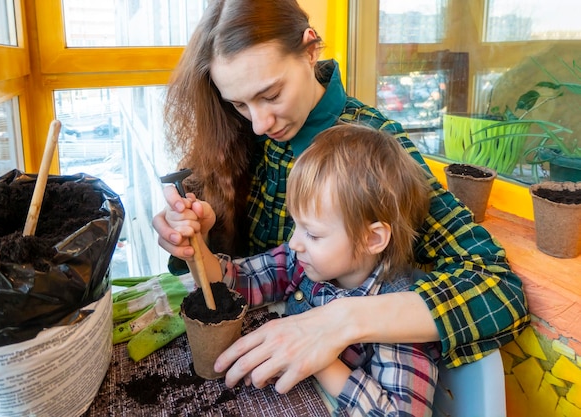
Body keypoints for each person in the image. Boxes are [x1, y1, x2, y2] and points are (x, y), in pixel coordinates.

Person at [153, 0, 529, 395]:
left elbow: (497, 287)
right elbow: (245, 278)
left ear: (310, 49)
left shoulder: (372, 151)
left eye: (272, 94)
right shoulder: (236, 131)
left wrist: (339, 320)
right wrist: (200, 236)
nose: (260, 124)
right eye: (239, 104)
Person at [177, 124, 440, 415]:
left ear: (372, 239)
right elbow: (240, 286)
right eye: (295, 224)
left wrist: (318, 356)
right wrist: (197, 247)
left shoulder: (400, 317)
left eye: (313, 234)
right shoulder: (303, 261)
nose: (294, 242)